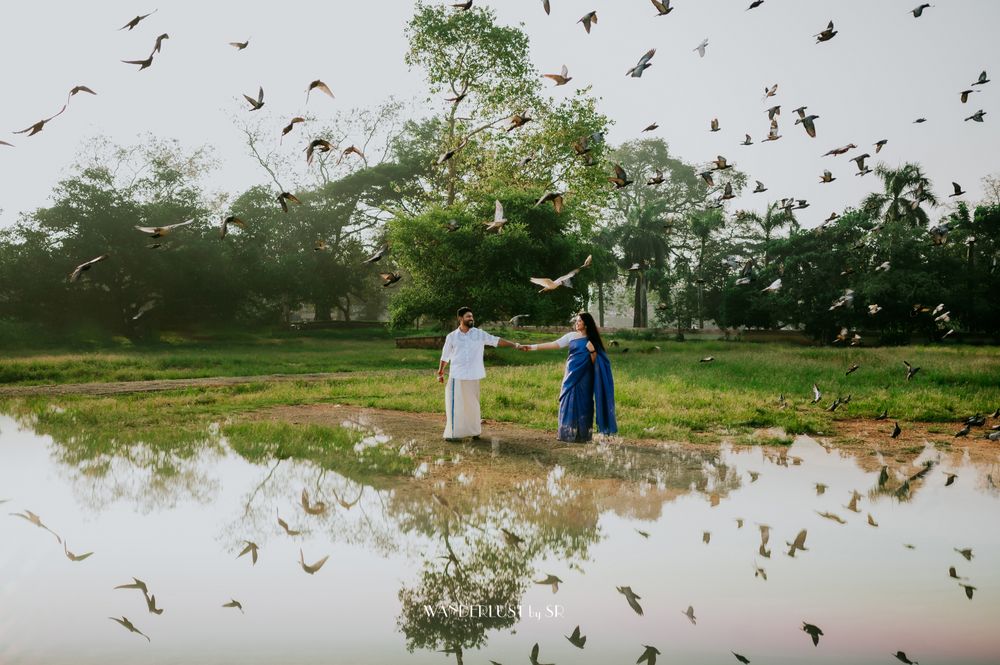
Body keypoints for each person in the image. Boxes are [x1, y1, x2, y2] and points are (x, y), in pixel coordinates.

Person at [519, 312, 617, 442]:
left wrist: (592, 351)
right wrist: (531, 347)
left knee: (585, 403)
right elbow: (553, 344)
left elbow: (597, 364)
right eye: (576, 321)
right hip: (570, 375)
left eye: (579, 321)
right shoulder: (571, 336)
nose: (577, 323)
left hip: (585, 377)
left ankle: (583, 435)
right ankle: (566, 433)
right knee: (567, 400)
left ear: (586, 324)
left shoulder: (592, 341)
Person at [437, 307, 521, 442]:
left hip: (473, 375)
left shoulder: (479, 334)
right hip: (457, 375)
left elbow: (496, 340)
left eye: (472, 316)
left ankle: (474, 431)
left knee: (473, 404)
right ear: (460, 318)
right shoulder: (452, 336)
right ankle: (453, 434)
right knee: (455, 404)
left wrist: (515, 345)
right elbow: (445, 356)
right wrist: (440, 372)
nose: (471, 319)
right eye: (468, 316)